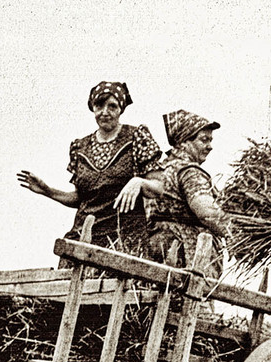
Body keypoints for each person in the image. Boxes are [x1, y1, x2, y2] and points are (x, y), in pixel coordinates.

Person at [16, 81, 162, 256]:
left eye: (112, 106)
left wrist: (139, 182)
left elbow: (159, 188)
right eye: (99, 106)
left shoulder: (136, 137)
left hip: (123, 239)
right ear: (92, 107)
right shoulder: (80, 147)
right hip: (84, 234)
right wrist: (47, 191)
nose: (105, 112)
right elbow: (81, 198)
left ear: (121, 109)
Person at [147, 110, 231, 279]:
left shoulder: (160, 170)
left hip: (158, 253)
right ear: (184, 142)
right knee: (193, 304)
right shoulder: (189, 172)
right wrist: (235, 233)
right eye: (204, 140)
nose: (210, 146)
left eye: (210, 140)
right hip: (186, 259)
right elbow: (206, 212)